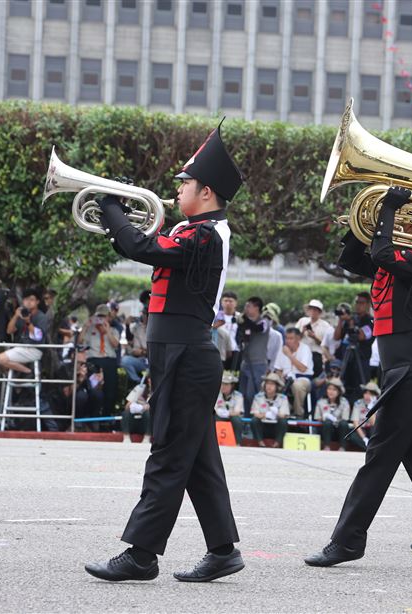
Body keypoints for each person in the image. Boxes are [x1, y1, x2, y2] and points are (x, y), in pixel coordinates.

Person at [85, 119, 244, 582]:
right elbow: (145, 244)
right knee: (196, 458)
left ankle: (142, 554)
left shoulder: (205, 235)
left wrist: (110, 204)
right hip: (181, 354)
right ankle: (222, 550)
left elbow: (139, 246)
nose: (177, 190)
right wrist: (114, 210)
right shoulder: (193, 229)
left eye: (186, 183)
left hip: (187, 355)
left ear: (208, 193)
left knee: (169, 455)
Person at [305, 186, 412, 570]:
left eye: (406, 220)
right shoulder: (390, 263)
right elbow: (352, 257)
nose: (399, 224)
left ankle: (346, 541)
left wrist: (389, 209)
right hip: (405, 369)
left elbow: (381, 251)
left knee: (378, 459)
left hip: (410, 370)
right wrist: (357, 221)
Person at [78, 304, 120, 422]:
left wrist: (107, 331)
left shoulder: (113, 330)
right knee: (94, 389)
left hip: (109, 360)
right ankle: (92, 417)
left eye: (104, 316)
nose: (101, 319)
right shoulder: (90, 330)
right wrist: (85, 326)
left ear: (109, 317)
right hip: (94, 361)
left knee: (110, 390)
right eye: (99, 316)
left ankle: (107, 418)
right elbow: (80, 342)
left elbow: (115, 345)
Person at [333, 292, 374, 403]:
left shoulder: (370, 321)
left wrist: (351, 321)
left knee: (360, 389)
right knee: (343, 387)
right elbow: (336, 337)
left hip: (361, 360)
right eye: (357, 302)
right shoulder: (350, 318)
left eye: (361, 303)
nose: (358, 305)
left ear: (368, 305)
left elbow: (361, 336)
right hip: (346, 360)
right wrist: (341, 320)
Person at [0, 288, 48, 374]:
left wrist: (28, 322)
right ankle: (23, 376)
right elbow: (9, 331)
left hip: (34, 348)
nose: (28, 302)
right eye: (26, 299)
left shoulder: (41, 317)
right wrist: (16, 316)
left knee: (1, 358)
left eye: (31, 300)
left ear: (37, 302)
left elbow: (38, 337)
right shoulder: (21, 314)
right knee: (5, 365)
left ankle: (28, 372)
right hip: (20, 348)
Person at [237, 296, 271, 417]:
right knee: (242, 394)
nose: (246, 309)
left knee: (252, 394)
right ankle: (243, 421)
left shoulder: (264, 321)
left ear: (257, 307)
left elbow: (257, 328)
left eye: (249, 306)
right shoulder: (245, 323)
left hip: (258, 364)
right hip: (245, 362)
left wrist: (244, 319)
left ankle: (251, 421)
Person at [274, 327, 313, 418]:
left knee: (297, 386)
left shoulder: (305, 349)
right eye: (286, 338)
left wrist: (289, 355)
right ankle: (277, 411)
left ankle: (298, 413)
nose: (288, 341)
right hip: (285, 377)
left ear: (298, 338)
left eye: (291, 338)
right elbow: (278, 369)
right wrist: (280, 376)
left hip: (302, 378)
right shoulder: (282, 349)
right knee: (270, 382)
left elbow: (302, 368)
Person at [250, 372, 289, 447]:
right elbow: (255, 413)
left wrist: (276, 414)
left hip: (275, 427)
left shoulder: (283, 398)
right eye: (267, 384)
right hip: (263, 425)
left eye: (272, 384)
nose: (269, 386)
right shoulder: (258, 397)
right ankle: (260, 443)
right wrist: (266, 415)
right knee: (254, 420)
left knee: (283, 422)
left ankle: (277, 443)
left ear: (277, 386)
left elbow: (284, 415)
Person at [297, 299, 333, 377]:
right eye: (311, 309)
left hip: (316, 356)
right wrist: (302, 332)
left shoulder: (325, 326)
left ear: (319, 312)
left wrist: (314, 337)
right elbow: (294, 339)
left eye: (316, 310)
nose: (313, 311)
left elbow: (326, 345)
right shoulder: (302, 321)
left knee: (315, 377)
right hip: (302, 354)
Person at [314, 377, 352, 450]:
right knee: (327, 422)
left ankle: (342, 448)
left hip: (339, 430)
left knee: (343, 424)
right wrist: (324, 418)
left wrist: (334, 419)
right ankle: (326, 447)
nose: (331, 392)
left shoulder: (344, 402)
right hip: (326, 429)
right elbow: (317, 418)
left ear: (339, 392)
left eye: (334, 389)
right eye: (329, 389)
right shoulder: (321, 402)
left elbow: (345, 418)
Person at [347, 382, 380, 450]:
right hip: (361, 429)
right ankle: (369, 448)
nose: (367, 396)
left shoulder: (378, 404)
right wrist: (364, 438)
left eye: (370, 394)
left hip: (372, 429)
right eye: (366, 393)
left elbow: (373, 423)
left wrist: (371, 408)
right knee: (352, 436)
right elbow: (356, 423)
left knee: (374, 431)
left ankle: (372, 448)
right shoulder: (358, 403)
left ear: (375, 395)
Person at [214, 372, 244, 445]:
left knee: (237, 420)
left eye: (226, 384)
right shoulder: (216, 393)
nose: (223, 386)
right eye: (222, 383)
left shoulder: (238, 396)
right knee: (214, 418)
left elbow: (237, 411)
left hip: (232, 416)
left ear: (232, 385)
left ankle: (237, 442)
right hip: (219, 416)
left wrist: (228, 413)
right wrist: (219, 412)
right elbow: (214, 408)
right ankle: (215, 442)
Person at [122, 309, 149, 385]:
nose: (143, 316)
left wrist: (144, 351)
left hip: (154, 361)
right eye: (142, 314)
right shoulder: (138, 327)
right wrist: (127, 325)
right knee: (125, 360)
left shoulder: (156, 327)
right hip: (142, 360)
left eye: (145, 314)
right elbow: (130, 341)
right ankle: (138, 382)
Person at [122, 375, 151, 442]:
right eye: (149, 379)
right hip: (134, 418)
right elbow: (127, 406)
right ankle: (126, 437)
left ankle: (147, 437)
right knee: (125, 413)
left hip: (148, 421)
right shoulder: (140, 387)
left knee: (149, 413)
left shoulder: (160, 389)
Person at [220, 291, 240, 370]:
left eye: (231, 301)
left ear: (236, 303)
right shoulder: (216, 317)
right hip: (220, 351)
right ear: (221, 302)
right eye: (225, 301)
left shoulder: (240, 318)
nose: (228, 303)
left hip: (235, 351)